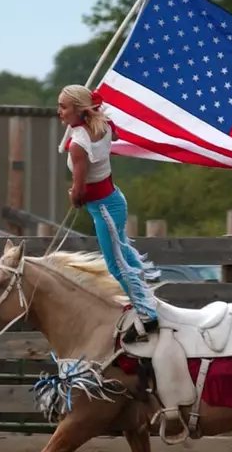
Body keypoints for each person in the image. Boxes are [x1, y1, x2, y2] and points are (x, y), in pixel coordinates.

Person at [58, 84, 159, 341]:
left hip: (102, 207)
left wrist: (73, 195)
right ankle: (147, 295)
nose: (58, 111)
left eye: (63, 107)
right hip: (113, 200)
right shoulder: (102, 126)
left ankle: (147, 314)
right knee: (122, 251)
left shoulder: (78, 144)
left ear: (79, 110)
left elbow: (79, 193)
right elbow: (112, 138)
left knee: (116, 263)